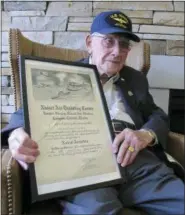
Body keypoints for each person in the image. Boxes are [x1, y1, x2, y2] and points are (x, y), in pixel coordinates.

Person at [1, 10, 184, 215]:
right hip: (85, 163)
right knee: (98, 210)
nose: (117, 51)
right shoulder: (60, 74)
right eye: (108, 41)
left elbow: (157, 115)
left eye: (124, 44)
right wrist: (16, 134)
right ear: (89, 43)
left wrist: (146, 134)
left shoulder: (135, 78)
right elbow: (23, 112)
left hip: (136, 160)